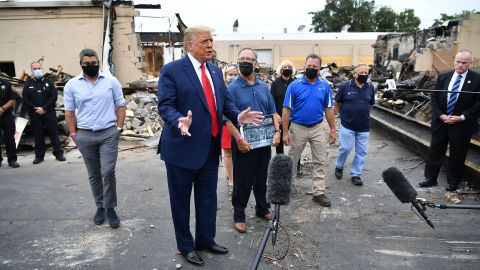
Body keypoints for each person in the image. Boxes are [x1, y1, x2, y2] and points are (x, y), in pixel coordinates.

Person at [157, 26, 263, 267]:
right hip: (182, 149)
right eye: (204, 41)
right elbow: (165, 106)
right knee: (181, 203)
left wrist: (238, 117)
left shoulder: (215, 71)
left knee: (207, 199)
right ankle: (186, 246)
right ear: (189, 45)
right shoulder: (172, 71)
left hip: (209, 149)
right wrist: (178, 121)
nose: (210, 45)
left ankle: (206, 240)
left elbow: (224, 103)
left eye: (211, 41)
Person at [64, 48, 126, 228]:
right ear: (81, 64)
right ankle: (100, 207)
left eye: (94, 63)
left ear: (98, 62)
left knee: (107, 172)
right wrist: (74, 134)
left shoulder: (111, 81)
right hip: (84, 134)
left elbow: (121, 105)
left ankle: (111, 208)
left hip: (108, 133)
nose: (91, 66)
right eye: (87, 64)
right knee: (94, 174)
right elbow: (69, 112)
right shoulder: (72, 85)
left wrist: (119, 129)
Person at [225, 47, 281, 233]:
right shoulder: (232, 89)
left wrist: (277, 131)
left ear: (256, 63)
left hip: (264, 143)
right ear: (237, 62)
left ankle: (262, 208)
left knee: (261, 178)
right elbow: (227, 118)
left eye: (249, 59)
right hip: (244, 144)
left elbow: (273, 112)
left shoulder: (263, 87)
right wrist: (239, 140)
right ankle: (239, 215)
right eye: (242, 59)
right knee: (242, 180)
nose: (246, 62)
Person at [419, 50, 480, 191]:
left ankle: (453, 182)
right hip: (441, 121)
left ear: (470, 63)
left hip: (462, 124)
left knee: (457, 154)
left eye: (464, 63)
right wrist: (440, 115)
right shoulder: (443, 77)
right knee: (435, 150)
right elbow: (434, 98)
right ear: (454, 61)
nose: (460, 65)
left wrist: (462, 117)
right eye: (458, 62)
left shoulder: (477, 79)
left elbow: (478, 103)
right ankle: (430, 178)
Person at [282, 54, 336, 207]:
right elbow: (286, 110)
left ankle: (318, 192)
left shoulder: (324, 86)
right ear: (304, 66)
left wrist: (333, 130)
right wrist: (285, 132)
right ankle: (287, 187)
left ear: (319, 68)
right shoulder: (294, 85)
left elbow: (329, 109)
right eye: (309, 66)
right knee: (292, 159)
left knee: (320, 161)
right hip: (298, 128)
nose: (311, 68)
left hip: (318, 127)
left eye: (314, 66)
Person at [333, 64, 375, 186]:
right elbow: (336, 102)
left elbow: (371, 104)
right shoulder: (345, 86)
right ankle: (339, 166)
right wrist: (342, 114)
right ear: (354, 74)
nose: (364, 75)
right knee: (345, 148)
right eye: (361, 72)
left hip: (364, 126)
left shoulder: (370, 87)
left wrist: (363, 112)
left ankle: (356, 174)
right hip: (348, 124)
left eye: (366, 73)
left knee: (361, 152)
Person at [22, 61, 66, 164]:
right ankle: (39, 156)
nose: (37, 70)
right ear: (31, 71)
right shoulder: (28, 84)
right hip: (35, 114)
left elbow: (53, 97)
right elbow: (25, 99)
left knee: (53, 134)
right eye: (35, 69)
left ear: (42, 69)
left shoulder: (48, 82)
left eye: (38, 68)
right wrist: (36, 108)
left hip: (49, 112)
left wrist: (44, 108)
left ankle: (58, 153)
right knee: (38, 135)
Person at [270, 60, 303, 175]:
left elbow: (299, 101)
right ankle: (280, 166)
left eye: (289, 67)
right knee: (279, 144)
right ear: (280, 69)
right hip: (279, 117)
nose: (287, 68)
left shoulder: (296, 83)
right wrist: (276, 114)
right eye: (285, 67)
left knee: (296, 143)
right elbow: (271, 101)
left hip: (294, 118)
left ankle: (296, 167)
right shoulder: (275, 84)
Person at [221, 63, 238, 192]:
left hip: (238, 123)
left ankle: (235, 175)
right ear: (225, 75)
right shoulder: (220, 88)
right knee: (228, 152)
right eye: (230, 74)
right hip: (225, 123)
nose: (232, 77)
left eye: (235, 74)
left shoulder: (239, 87)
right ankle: (231, 179)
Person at [0, 78, 20, 168]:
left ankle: (12, 160)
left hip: (6, 115)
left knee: (10, 139)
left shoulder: (6, 84)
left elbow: (14, 99)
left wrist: (3, 108)